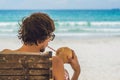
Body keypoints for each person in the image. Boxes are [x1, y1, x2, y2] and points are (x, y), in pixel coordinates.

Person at [0, 12, 80, 80]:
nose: (49, 40)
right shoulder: (55, 62)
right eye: (50, 36)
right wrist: (77, 71)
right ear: (41, 38)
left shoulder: (4, 55)